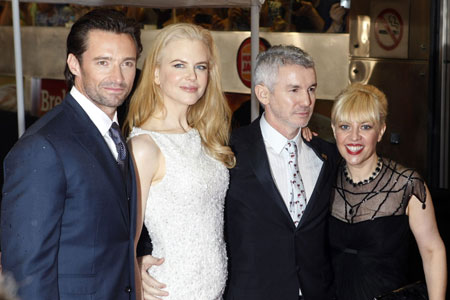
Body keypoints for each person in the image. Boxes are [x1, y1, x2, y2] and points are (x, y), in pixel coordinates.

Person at [1, 9, 142, 299]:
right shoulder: (43, 147)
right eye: (103, 62)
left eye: (127, 63)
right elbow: (26, 275)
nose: (118, 76)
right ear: (74, 64)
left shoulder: (117, 136)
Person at [124, 23, 235, 300]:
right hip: (170, 290)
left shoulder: (206, 137)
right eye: (179, 65)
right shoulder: (144, 147)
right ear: (157, 74)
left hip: (214, 291)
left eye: (200, 67)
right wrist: (133, 268)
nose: (192, 76)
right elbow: (124, 234)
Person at [225, 45, 339, 300]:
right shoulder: (230, 152)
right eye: (294, 90)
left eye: (311, 89)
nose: (307, 101)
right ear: (263, 93)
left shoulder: (326, 155)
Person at [328, 83, 447, 299]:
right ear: (334, 130)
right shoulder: (323, 178)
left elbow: (432, 251)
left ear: (381, 130)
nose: (354, 137)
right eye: (345, 126)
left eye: (365, 127)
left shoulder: (407, 185)